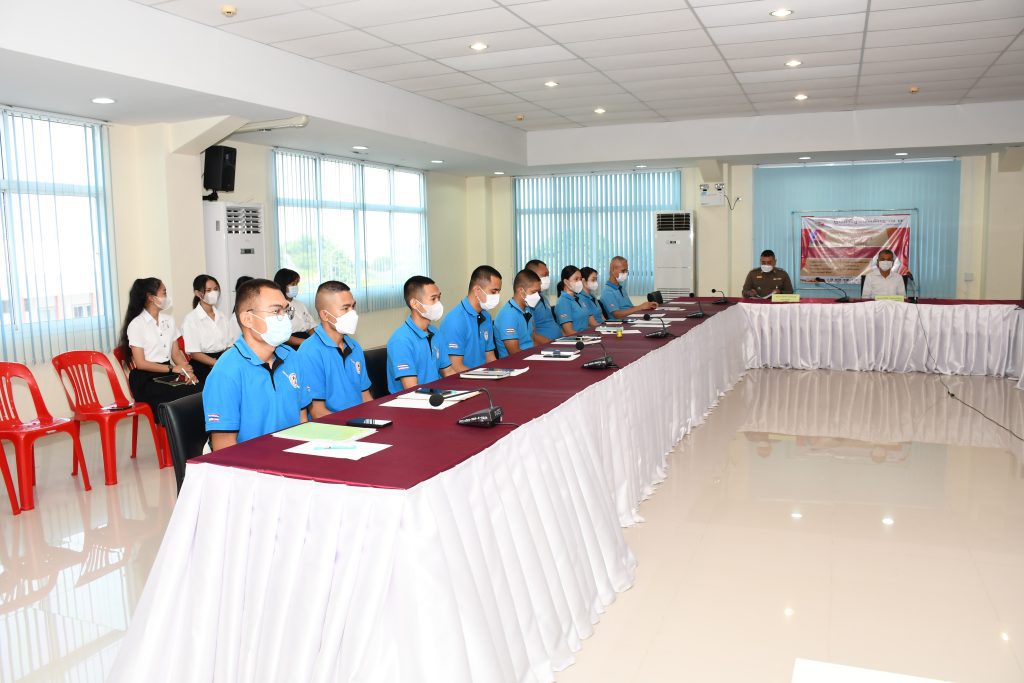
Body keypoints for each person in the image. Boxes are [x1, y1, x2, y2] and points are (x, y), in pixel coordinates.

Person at [203, 278, 312, 450]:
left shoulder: (292, 357)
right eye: (276, 311)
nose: (284, 318)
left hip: (292, 454)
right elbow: (224, 446)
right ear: (248, 319)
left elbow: (302, 418)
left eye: (285, 310)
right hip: (249, 461)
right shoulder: (226, 372)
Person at [118, 277, 201, 422]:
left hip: (167, 374)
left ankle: (197, 433)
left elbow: (176, 353)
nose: (167, 297)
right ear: (151, 297)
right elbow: (140, 363)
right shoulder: (137, 324)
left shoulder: (169, 320)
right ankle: (177, 432)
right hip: (146, 379)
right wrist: (172, 369)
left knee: (199, 389)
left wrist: (188, 372)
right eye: (164, 292)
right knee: (182, 396)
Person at [296, 280, 372, 417]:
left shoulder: (354, 347)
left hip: (360, 421)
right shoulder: (309, 352)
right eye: (345, 308)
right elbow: (317, 412)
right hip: (332, 426)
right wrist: (353, 427)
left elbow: (365, 396)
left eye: (353, 306)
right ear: (325, 315)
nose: (353, 313)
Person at [386, 276, 456, 393]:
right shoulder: (401, 340)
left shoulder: (435, 332)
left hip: (437, 397)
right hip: (411, 401)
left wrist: (465, 390)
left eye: (439, 298)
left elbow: (448, 372)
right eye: (433, 299)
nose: (438, 304)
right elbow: (412, 389)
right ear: (415, 304)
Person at [440, 265, 501, 372]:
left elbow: (490, 357)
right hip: (463, 380)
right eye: (493, 291)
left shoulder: (486, 316)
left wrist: (502, 373)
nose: (497, 295)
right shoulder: (455, 320)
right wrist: (484, 377)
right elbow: (455, 367)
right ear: (477, 290)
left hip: (482, 376)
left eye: (499, 291)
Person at [182, 274, 233, 383]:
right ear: (197, 293)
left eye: (215, 289)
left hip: (222, 361)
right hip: (202, 365)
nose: (213, 293)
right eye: (208, 290)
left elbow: (229, 345)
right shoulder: (191, 319)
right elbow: (194, 353)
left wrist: (223, 362)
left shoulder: (222, 316)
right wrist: (217, 363)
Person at [495, 269, 542, 357]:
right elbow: (515, 353)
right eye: (534, 292)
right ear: (521, 291)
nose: (537, 296)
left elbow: (533, 339)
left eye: (538, 292)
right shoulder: (508, 315)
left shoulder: (528, 309)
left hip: (530, 356)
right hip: (515, 362)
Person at [273, 268, 317, 347]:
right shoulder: (276, 307)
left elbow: (311, 327)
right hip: (290, 345)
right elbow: (282, 336)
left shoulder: (300, 304)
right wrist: (307, 343)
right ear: (282, 285)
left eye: (297, 284)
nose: (295, 287)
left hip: (306, 341)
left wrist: (317, 340)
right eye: (293, 284)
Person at [554, 266, 599, 335]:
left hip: (586, 336)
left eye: (580, 279)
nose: (579, 282)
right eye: (576, 279)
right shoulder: (563, 302)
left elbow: (592, 322)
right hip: (575, 339)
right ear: (566, 282)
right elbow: (569, 332)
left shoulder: (579, 298)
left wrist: (604, 330)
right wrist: (586, 337)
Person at [524, 259, 561, 343]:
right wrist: (553, 344)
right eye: (544, 275)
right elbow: (533, 336)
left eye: (548, 275)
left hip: (557, 342)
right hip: (546, 346)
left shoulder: (543, 297)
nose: (547, 278)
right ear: (532, 276)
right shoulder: (529, 301)